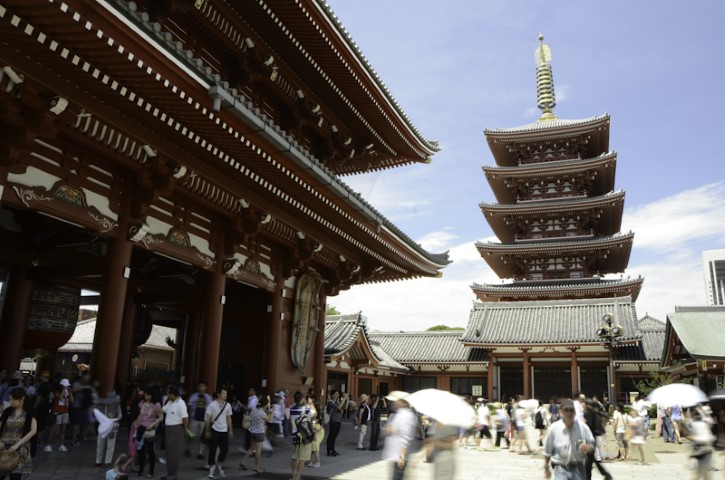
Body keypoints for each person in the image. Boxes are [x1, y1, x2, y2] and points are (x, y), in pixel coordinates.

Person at [543, 398, 595, 480]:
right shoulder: (554, 428)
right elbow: (547, 451)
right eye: (566, 410)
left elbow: (592, 444)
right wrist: (546, 468)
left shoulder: (582, 427)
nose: (569, 413)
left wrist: (589, 447)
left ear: (575, 412)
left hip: (579, 469)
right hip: (560, 469)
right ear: (561, 412)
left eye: (571, 410)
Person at [0, 388, 38, 480]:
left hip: (20, 448)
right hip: (4, 447)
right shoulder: (8, 411)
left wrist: (17, 445)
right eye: (10, 399)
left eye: (13, 399)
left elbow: (33, 431)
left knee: (15, 476)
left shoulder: (30, 411)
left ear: (22, 399)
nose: (11, 402)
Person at [382, 391, 417, 480]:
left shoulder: (406, 416)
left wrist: (402, 456)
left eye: (395, 400)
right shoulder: (398, 414)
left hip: (399, 455)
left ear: (402, 402)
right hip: (394, 454)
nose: (393, 403)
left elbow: (406, 437)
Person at [161, 384, 188, 480]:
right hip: (168, 429)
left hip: (177, 429)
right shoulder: (169, 402)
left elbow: (185, 418)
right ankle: (169, 473)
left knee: (174, 454)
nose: (167, 395)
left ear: (173, 394)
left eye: (168, 394)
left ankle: (173, 475)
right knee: (168, 453)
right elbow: (162, 411)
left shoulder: (181, 403)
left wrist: (185, 429)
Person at [134, 387, 163, 478]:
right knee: (140, 450)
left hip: (150, 428)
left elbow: (161, 417)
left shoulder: (156, 405)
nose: (147, 397)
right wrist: (137, 423)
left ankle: (151, 471)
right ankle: (141, 470)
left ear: (152, 395)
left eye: (149, 395)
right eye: (146, 395)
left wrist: (153, 424)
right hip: (141, 428)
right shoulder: (142, 403)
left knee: (150, 450)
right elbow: (140, 415)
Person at [205, 388, 233, 479]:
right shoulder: (212, 405)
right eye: (224, 393)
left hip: (224, 430)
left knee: (225, 449)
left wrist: (231, 430)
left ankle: (219, 463)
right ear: (218, 395)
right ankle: (211, 468)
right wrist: (207, 431)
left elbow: (229, 418)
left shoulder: (228, 405)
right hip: (214, 429)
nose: (226, 395)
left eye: (226, 393)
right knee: (212, 449)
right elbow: (208, 419)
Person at [583, 399, 613, 480]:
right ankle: (605, 474)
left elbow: (589, 426)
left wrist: (584, 423)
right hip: (592, 437)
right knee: (592, 458)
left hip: (590, 438)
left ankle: (589, 476)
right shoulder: (593, 412)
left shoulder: (589, 413)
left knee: (589, 459)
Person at [289, 391, 313, 480]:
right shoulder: (305, 409)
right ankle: (298, 477)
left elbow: (289, 421)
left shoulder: (292, 409)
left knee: (295, 457)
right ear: (302, 399)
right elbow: (314, 414)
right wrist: (310, 403)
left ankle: (293, 475)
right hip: (304, 436)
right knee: (302, 459)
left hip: (295, 436)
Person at [44, 378, 73, 452]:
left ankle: (61, 445)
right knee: (54, 429)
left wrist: (69, 391)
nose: (66, 387)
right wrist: (63, 390)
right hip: (57, 412)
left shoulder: (67, 392)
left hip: (65, 412)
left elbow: (72, 400)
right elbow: (60, 398)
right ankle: (48, 445)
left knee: (63, 429)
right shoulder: (57, 391)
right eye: (65, 386)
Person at [686, 409, 716, 480]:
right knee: (706, 476)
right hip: (707, 453)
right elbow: (710, 437)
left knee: (695, 476)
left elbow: (691, 437)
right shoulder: (704, 424)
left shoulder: (693, 424)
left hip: (699, 454)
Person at [96, 390, 123, 467]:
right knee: (100, 444)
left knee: (110, 445)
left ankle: (107, 462)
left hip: (112, 426)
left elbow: (120, 416)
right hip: (103, 426)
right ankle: (98, 461)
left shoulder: (117, 406)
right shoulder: (103, 406)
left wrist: (114, 419)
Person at [186, 381, 212, 460]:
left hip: (204, 419)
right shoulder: (193, 396)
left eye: (203, 386)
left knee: (202, 437)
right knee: (191, 435)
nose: (201, 388)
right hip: (194, 418)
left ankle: (200, 452)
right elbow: (189, 406)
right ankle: (188, 448)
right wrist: (190, 416)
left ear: (206, 387)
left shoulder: (208, 397)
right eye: (200, 386)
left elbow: (211, 409)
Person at [325, 390, 346, 456]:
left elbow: (345, 407)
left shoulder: (337, 401)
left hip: (338, 421)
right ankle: (329, 450)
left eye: (338, 394)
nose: (338, 395)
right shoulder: (330, 402)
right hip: (333, 421)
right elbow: (339, 408)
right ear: (332, 395)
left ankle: (332, 449)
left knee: (334, 436)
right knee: (331, 436)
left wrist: (346, 400)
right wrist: (344, 399)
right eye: (336, 394)